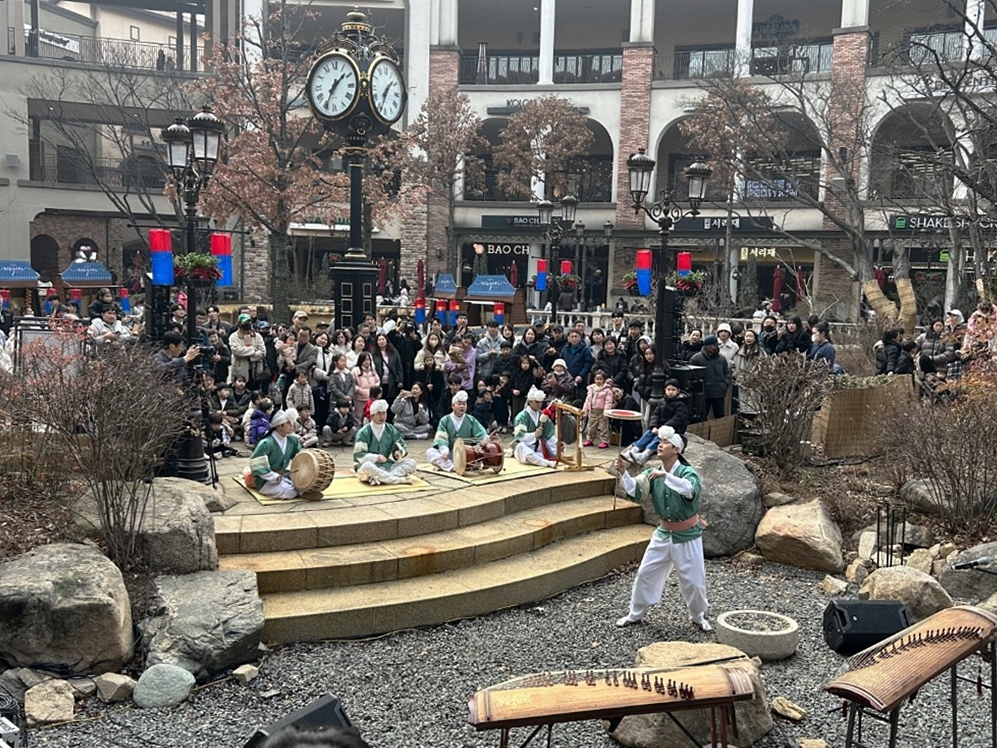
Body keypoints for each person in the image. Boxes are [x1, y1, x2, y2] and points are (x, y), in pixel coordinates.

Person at [613, 428, 711, 632]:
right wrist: (623, 472)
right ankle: (635, 613)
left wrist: (666, 476)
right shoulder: (653, 472)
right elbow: (636, 490)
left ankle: (698, 616)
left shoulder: (687, 472)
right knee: (645, 573)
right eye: (660, 442)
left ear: (676, 449)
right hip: (663, 533)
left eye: (665, 442)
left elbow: (690, 490)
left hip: (687, 535)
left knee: (694, 581)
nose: (659, 445)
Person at [620, 379, 690, 465]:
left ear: (678, 391)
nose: (671, 392)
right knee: (649, 433)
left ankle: (644, 455)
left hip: (673, 430)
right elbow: (655, 415)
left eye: (673, 390)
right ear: (665, 390)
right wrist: (654, 426)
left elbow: (678, 419)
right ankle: (634, 450)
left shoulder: (681, 404)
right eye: (669, 389)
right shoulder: (662, 401)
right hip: (660, 427)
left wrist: (663, 428)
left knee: (659, 438)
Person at [352, 399, 417, 485]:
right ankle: (398, 480)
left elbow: (400, 444)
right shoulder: (364, 432)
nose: (382, 417)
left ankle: (383, 478)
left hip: (387, 466)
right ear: (372, 416)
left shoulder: (390, 429)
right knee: (368, 466)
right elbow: (358, 455)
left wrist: (398, 452)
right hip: (370, 465)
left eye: (384, 413)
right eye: (379, 413)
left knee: (411, 463)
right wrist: (376, 458)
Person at [426, 390, 491, 472]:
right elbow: (441, 439)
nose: (462, 406)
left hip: (467, 454)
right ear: (453, 406)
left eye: (464, 404)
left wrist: (485, 439)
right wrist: (444, 450)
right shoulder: (445, 420)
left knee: (479, 455)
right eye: (459, 404)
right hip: (449, 454)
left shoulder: (471, 420)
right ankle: (452, 467)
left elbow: (481, 433)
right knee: (430, 452)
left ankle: (456, 466)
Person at [249, 408, 303, 499]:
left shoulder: (292, 440)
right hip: (266, 480)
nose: (292, 425)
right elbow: (258, 465)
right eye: (288, 423)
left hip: (284, 475)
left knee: (304, 486)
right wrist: (273, 476)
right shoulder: (266, 443)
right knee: (290, 491)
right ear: (279, 426)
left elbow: (300, 457)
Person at [511, 386, 558, 468]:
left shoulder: (543, 416)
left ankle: (544, 460)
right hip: (524, 446)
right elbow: (520, 437)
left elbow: (549, 436)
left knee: (555, 448)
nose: (539, 404)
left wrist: (557, 447)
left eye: (540, 402)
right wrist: (534, 435)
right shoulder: (521, 417)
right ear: (530, 401)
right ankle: (546, 463)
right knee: (521, 447)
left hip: (538, 448)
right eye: (537, 402)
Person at [581, 369, 614, 448]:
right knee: (591, 426)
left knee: (603, 427)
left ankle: (604, 441)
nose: (598, 381)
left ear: (604, 380)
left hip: (602, 411)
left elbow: (608, 402)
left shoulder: (607, 390)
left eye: (600, 379)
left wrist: (606, 412)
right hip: (592, 410)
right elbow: (587, 400)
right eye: (597, 379)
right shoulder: (591, 389)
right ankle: (590, 439)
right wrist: (584, 410)